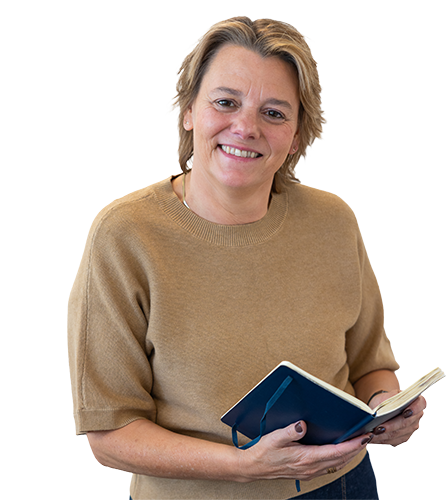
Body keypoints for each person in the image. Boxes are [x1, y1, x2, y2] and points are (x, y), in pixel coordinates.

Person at [68, 16, 427, 500]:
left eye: (274, 113)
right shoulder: (123, 234)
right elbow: (110, 435)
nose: (245, 127)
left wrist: (387, 408)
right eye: (225, 102)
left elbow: (370, 367)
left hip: (342, 487)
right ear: (189, 111)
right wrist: (244, 466)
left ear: (297, 136)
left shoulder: (333, 221)